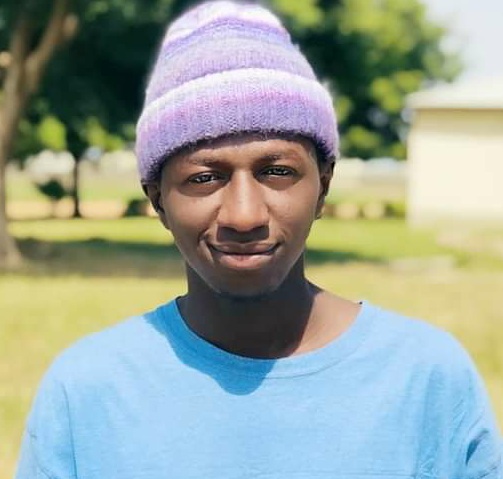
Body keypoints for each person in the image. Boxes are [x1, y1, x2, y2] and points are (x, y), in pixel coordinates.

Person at [15, 1, 502, 478]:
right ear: (158, 199)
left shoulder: (426, 380)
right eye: (204, 178)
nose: (244, 215)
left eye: (277, 172)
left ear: (323, 186)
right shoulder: (88, 393)